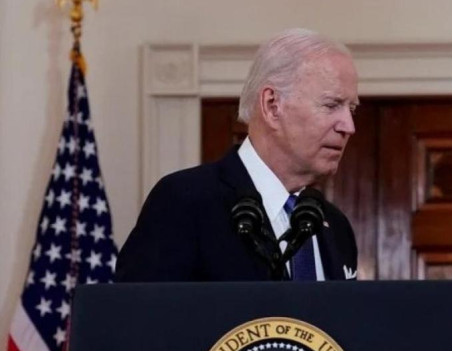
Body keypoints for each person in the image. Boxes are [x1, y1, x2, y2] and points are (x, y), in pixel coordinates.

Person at [115, 28, 359, 282]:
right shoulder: (184, 203)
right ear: (272, 105)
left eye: (352, 109)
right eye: (332, 105)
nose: (349, 126)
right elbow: (137, 318)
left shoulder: (334, 225)